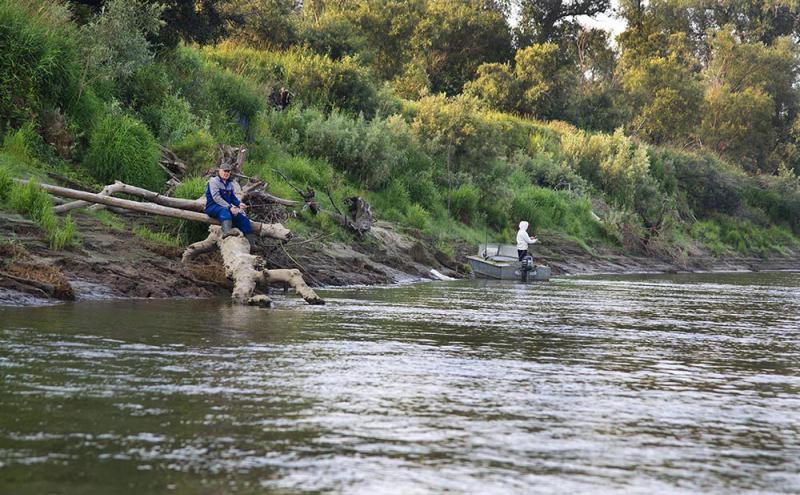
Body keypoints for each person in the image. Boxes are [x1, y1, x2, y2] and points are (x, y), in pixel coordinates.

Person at [205, 162, 256, 246]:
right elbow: (216, 198)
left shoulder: (229, 184)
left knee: (244, 220)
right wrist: (230, 207)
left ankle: (252, 245)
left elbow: (232, 198)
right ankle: (227, 233)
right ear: (219, 171)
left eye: (228, 171)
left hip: (227, 209)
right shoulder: (213, 181)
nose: (227, 173)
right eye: (225, 171)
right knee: (225, 211)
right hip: (212, 207)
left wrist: (239, 204)